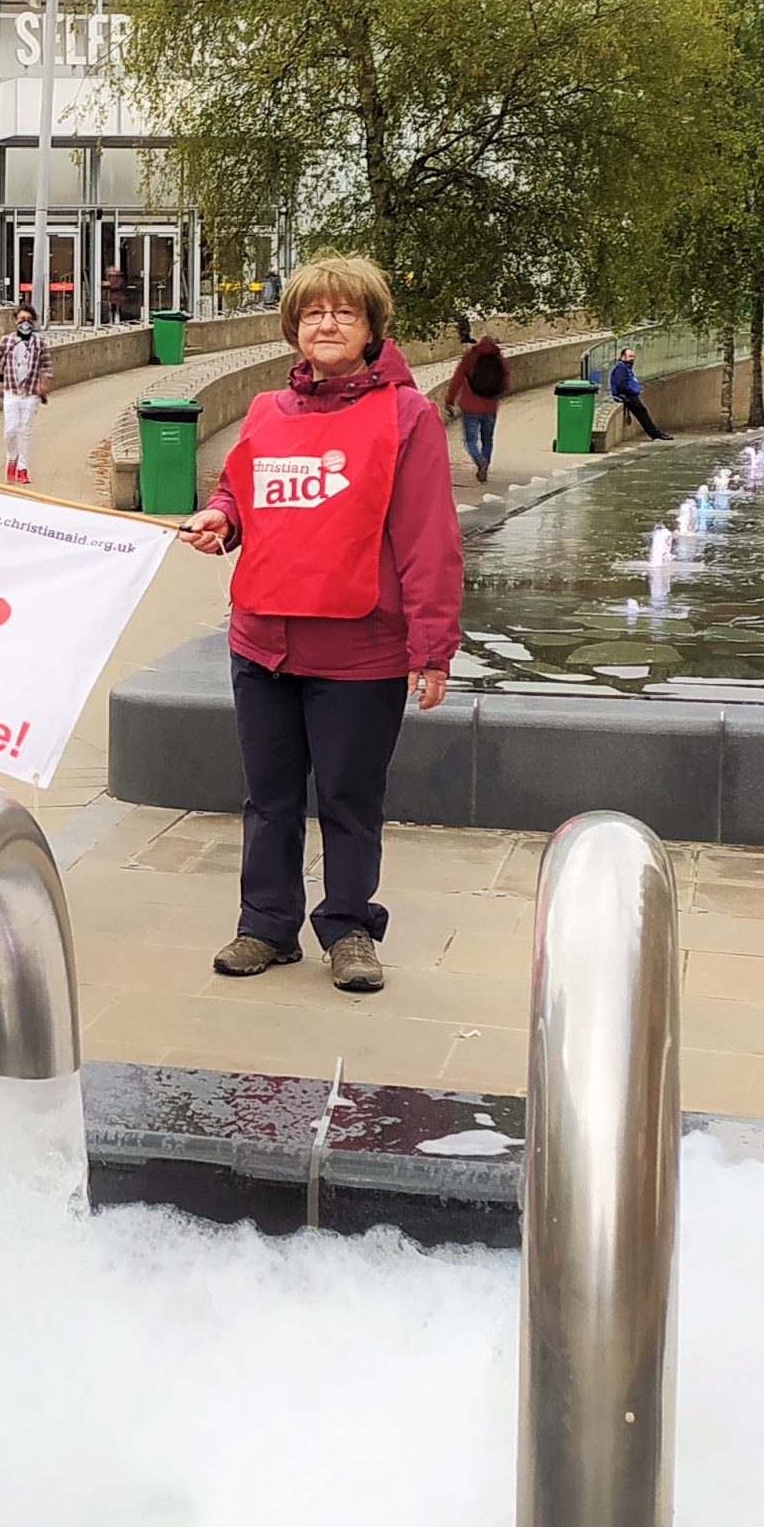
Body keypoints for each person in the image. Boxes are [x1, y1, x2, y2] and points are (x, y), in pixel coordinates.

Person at [180, 253, 462, 995]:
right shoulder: (267, 412)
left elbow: (431, 539)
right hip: (262, 641)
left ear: (371, 328)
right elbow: (238, 490)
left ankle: (349, 927)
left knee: (348, 798)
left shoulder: (408, 416)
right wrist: (221, 519)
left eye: (344, 312)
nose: (327, 323)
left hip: (360, 649)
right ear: (294, 328)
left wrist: (432, 648)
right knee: (267, 797)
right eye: (313, 313)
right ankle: (266, 925)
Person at [0, 303, 52, 485]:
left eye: (28, 320)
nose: (25, 323)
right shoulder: (7, 341)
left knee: (25, 431)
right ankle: (11, 459)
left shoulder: (39, 343)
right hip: (11, 392)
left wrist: (43, 384)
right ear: (15, 321)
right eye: (21, 319)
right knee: (10, 429)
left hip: (30, 394)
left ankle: (23, 468)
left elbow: (47, 366)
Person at [442, 334, 507, 483]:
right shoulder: (499, 360)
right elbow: (505, 383)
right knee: (487, 438)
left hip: (470, 405)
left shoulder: (470, 357)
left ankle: (479, 460)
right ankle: (485, 463)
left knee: (470, 439)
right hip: (490, 406)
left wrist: (449, 400)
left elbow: (457, 379)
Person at [609, 347, 669, 440]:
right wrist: (632, 391)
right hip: (627, 395)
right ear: (623, 357)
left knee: (643, 412)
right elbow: (621, 384)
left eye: (633, 356)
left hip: (629, 394)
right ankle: (655, 433)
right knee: (642, 413)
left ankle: (655, 432)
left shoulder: (626, 367)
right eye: (630, 356)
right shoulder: (621, 367)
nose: (632, 358)